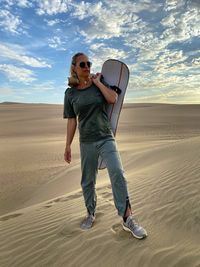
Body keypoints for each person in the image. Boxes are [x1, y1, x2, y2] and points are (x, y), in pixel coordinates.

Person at [63, 52, 147, 239]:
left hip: (106, 137)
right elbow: (71, 120)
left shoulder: (98, 85)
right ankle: (90, 213)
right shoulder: (70, 93)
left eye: (89, 63)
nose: (87, 67)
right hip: (86, 142)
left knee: (117, 172)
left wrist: (99, 83)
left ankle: (127, 218)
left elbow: (112, 99)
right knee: (87, 181)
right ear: (74, 68)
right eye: (82, 64)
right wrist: (67, 145)